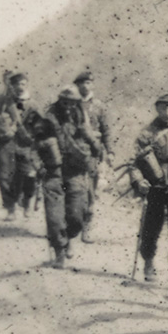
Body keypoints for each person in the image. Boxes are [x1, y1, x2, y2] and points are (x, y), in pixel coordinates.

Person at [32, 86, 100, 267]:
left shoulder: (81, 118)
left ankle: (69, 238)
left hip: (75, 172)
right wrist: (39, 165)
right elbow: (35, 145)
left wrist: (92, 145)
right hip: (53, 173)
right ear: (59, 101)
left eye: (72, 103)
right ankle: (59, 251)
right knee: (54, 217)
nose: (68, 107)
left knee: (77, 216)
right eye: (65, 103)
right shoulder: (47, 119)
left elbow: (95, 147)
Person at [130, 93, 168, 291]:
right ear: (157, 109)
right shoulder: (147, 133)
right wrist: (139, 181)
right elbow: (134, 162)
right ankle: (148, 263)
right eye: (164, 107)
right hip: (154, 186)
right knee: (151, 227)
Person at [0, 72, 42, 219]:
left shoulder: (33, 104)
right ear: (11, 86)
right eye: (17, 84)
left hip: (25, 144)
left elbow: (41, 126)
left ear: (27, 85)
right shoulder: (3, 103)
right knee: (5, 175)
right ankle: (11, 208)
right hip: (6, 143)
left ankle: (27, 202)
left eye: (23, 84)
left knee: (28, 176)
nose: (20, 87)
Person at [75, 71, 114, 243]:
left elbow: (106, 131)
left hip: (93, 152)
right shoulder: (71, 104)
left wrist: (110, 151)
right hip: (74, 152)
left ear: (93, 85)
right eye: (82, 83)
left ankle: (86, 227)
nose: (85, 86)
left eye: (89, 83)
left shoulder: (99, 106)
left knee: (90, 190)